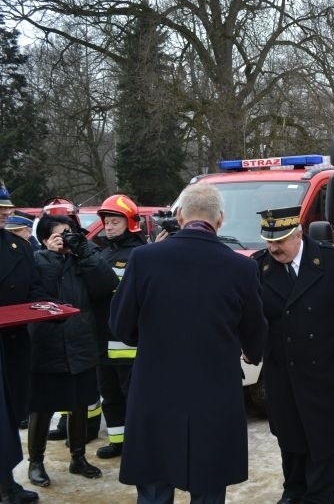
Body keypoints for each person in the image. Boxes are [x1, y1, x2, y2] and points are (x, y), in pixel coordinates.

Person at [109, 183, 268, 504]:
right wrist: (249, 351)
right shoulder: (242, 268)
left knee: (154, 486)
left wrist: (154, 339)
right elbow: (255, 335)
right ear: (220, 220)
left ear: (179, 216)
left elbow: (121, 327)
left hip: (155, 391)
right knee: (209, 487)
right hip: (215, 395)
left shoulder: (143, 259)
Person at [253, 206, 334, 504]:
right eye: (269, 241)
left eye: (281, 241)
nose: (274, 248)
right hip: (282, 371)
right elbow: (250, 315)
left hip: (325, 371)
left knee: (323, 439)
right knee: (289, 438)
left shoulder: (332, 260)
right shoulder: (259, 267)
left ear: (298, 233)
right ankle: (293, 491)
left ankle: (317, 497)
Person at [26, 214, 118, 487]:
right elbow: (40, 294)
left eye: (70, 232)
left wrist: (84, 250)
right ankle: (36, 462)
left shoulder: (83, 259)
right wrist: (52, 256)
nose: (66, 237)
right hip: (47, 345)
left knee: (80, 403)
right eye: (59, 233)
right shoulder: (35, 261)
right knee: (41, 407)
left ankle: (78, 458)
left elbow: (106, 284)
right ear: (44, 239)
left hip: (80, 341)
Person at [92, 194, 148, 460]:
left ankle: (140, 445)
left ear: (130, 223)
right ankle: (118, 442)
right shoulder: (103, 252)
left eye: (115, 221)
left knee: (134, 400)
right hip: (103, 342)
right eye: (107, 222)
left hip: (128, 346)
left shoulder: (138, 254)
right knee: (110, 397)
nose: (109, 226)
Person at [0, 180, 44, 503]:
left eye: (5, 208)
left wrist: (44, 308)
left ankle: (6, 482)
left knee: (9, 416)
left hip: (12, 344)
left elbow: (34, 291)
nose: (5, 213)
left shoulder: (20, 247)